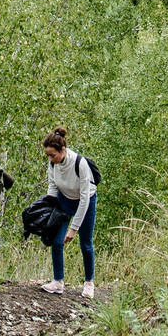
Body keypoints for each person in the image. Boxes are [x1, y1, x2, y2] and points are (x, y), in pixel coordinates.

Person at [39, 127, 96, 298]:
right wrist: (48, 209)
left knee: (85, 243)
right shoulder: (53, 163)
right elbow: (53, 185)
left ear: (62, 150)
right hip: (64, 200)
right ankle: (58, 281)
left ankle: (89, 283)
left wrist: (74, 228)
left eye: (52, 155)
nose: (50, 158)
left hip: (85, 201)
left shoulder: (80, 163)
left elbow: (85, 198)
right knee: (57, 241)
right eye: (48, 155)